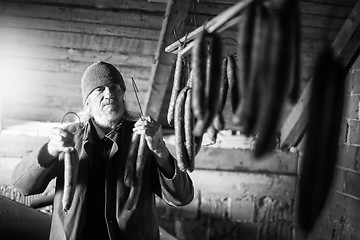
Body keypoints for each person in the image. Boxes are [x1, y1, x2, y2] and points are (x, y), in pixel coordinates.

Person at [11, 61, 194, 240]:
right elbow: (22, 185)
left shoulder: (144, 138)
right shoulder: (70, 137)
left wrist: (160, 150)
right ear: (87, 102)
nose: (109, 94)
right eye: (99, 89)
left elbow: (182, 197)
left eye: (115, 87)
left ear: (123, 94)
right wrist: (50, 150)